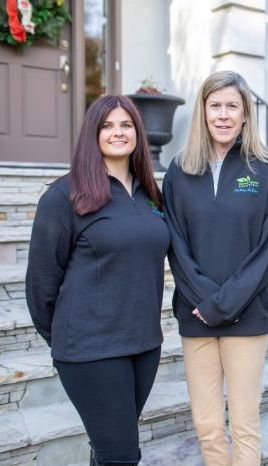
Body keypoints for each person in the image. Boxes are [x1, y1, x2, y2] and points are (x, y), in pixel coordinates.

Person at [25, 95, 170, 466]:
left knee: (109, 451)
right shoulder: (65, 195)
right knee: (121, 455)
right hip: (91, 350)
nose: (118, 132)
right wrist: (67, 341)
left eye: (126, 125)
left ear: (138, 132)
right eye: (107, 125)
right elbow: (41, 284)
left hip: (143, 345)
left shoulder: (150, 194)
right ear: (93, 133)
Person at [162, 70, 268, 466]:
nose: (223, 114)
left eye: (232, 105)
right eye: (215, 105)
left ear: (246, 113)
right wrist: (205, 301)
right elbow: (176, 245)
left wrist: (224, 303)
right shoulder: (179, 171)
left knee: (245, 425)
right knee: (208, 424)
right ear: (202, 111)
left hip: (247, 316)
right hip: (195, 314)